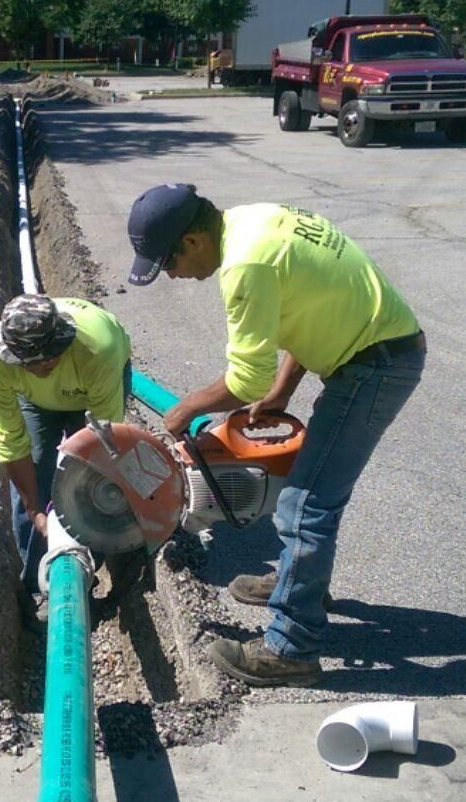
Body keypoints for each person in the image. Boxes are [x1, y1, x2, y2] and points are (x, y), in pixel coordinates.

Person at [124, 184, 424, 687]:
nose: (172, 275)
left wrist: (187, 408)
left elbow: (246, 381)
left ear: (193, 240)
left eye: (169, 262)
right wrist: (282, 391)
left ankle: (291, 648)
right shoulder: (255, 221)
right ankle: (296, 582)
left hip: (376, 365)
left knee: (305, 504)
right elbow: (311, 307)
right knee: (309, 492)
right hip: (376, 351)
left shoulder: (246, 265)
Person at [0, 293, 132, 627]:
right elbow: (10, 441)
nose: (40, 369)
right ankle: (36, 584)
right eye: (29, 364)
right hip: (34, 401)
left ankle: (83, 577)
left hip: (91, 393)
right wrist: (34, 507)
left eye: (49, 359)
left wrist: (82, 500)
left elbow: (101, 441)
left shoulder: (98, 349)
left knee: (91, 487)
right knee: (36, 469)